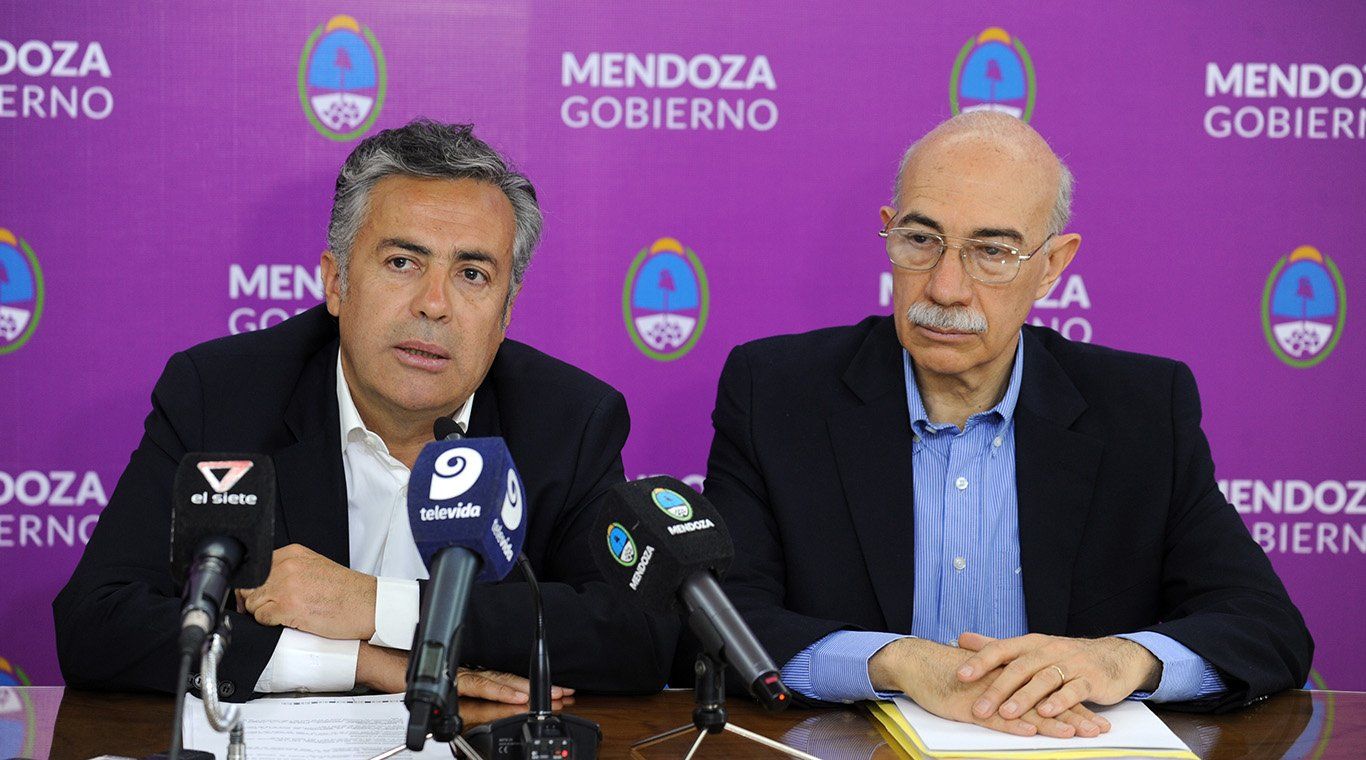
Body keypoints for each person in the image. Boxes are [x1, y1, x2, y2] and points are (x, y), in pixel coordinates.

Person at [698, 112, 1312, 738]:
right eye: (920, 239)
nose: (946, 288)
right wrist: (896, 662)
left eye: (992, 252)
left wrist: (1121, 660)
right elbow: (716, 619)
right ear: (888, 232)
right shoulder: (777, 395)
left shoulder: (1143, 410)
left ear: (1052, 265)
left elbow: (1264, 625)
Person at [54, 119, 677, 702]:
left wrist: (378, 606)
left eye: (472, 274)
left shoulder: (568, 420)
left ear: (507, 310)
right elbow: (96, 621)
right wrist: (364, 663)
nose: (434, 304)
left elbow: (639, 634)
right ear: (337, 282)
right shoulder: (222, 395)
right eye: (402, 263)